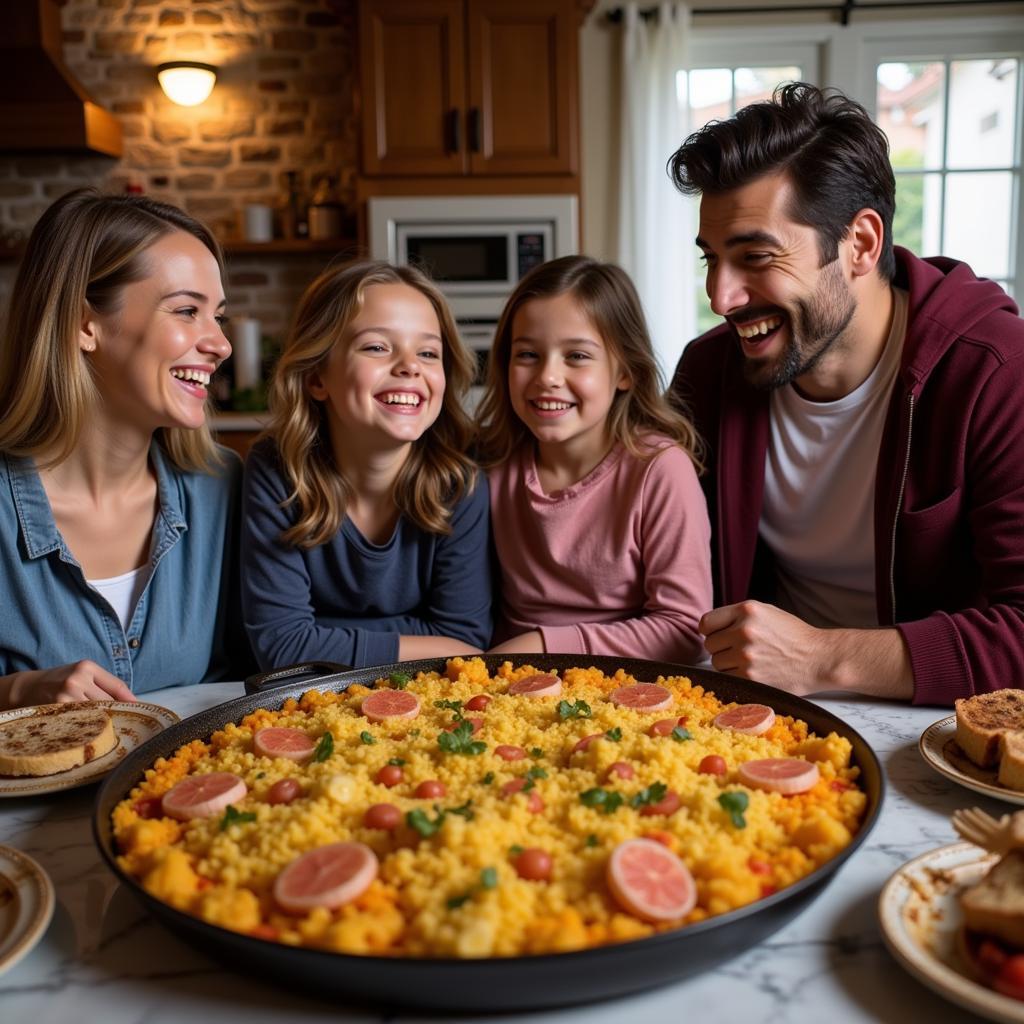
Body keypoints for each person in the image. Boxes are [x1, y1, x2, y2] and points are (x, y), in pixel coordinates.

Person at [668, 82, 1024, 704]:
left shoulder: (996, 372)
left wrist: (820, 658)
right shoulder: (708, 372)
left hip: (939, 728)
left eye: (756, 256)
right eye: (712, 260)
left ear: (860, 244)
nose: (721, 297)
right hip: (760, 714)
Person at [0, 187, 248, 710]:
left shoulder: (223, 488)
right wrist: (18, 691)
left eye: (217, 316)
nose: (220, 343)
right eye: (186, 311)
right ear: (84, 323)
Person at [241, 260, 492, 670]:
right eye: (377, 346)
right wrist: (422, 637)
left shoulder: (459, 485)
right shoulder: (277, 471)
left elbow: (466, 640)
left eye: (428, 352)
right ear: (316, 377)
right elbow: (280, 647)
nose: (410, 366)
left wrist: (319, 635)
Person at [477, 255, 712, 661]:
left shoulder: (658, 469)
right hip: (504, 681)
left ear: (625, 372)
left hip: (626, 687)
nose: (548, 376)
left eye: (577, 356)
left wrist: (542, 645)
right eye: (527, 355)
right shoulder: (490, 464)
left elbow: (684, 629)